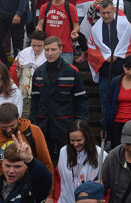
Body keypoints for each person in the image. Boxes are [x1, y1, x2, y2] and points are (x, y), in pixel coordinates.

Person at [32, 36, 89, 165]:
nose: (50, 53)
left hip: (66, 126)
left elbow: (81, 100)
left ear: (60, 49)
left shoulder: (72, 72)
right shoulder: (38, 72)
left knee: (69, 162)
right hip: (44, 126)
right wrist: (34, 122)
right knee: (44, 162)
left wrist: (80, 125)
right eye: (47, 50)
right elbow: (35, 100)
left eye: (53, 49)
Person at [0, 103, 53, 185]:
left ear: (18, 117)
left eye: (12, 125)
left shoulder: (33, 132)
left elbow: (47, 164)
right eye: (4, 127)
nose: (8, 130)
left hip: (29, 186)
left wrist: (49, 195)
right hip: (1, 187)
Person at [54, 120, 106, 203]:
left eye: (79, 140)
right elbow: (58, 178)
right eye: (72, 140)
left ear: (86, 138)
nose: (75, 144)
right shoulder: (64, 152)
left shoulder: (101, 154)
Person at [90, 0, 124, 121]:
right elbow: (92, 50)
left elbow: (129, 46)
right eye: (103, 13)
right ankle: (106, 133)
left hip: (121, 72)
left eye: (108, 12)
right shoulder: (95, 29)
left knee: (121, 103)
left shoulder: (123, 25)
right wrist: (105, 56)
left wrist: (119, 56)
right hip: (104, 72)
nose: (106, 16)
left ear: (114, 11)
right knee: (105, 103)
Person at [36, 0, 80, 65]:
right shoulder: (44, 7)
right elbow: (40, 25)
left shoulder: (70, 7)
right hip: (49, 49)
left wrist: (74, 31)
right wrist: (38, 30)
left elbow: (76, 26)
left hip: (65, 49)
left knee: (65, 75)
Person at [12, 30, 47, 119]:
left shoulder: (49, 56)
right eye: (34, 45)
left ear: (45, 44)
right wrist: (18, 68)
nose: (36, 49)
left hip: (42, 98)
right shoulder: (23, 54)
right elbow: (14, 76)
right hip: (24, 97)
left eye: (39, 46)